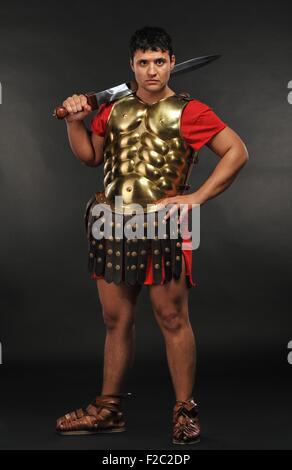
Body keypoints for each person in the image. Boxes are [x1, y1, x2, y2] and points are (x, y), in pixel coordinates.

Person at [55, 26, 248, 444]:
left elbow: (237, 151)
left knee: (172, 317)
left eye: (159, 61)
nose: (151, 70)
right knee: (114, 318)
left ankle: (184, 410)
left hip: (164, 224)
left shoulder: (190, 111)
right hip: (113, 222)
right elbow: (91, 157)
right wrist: (75, 121)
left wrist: (196, 197)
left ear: (172, 63)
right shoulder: (113, 109)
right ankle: (108, 410)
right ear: (132, 65)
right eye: (143, 62)